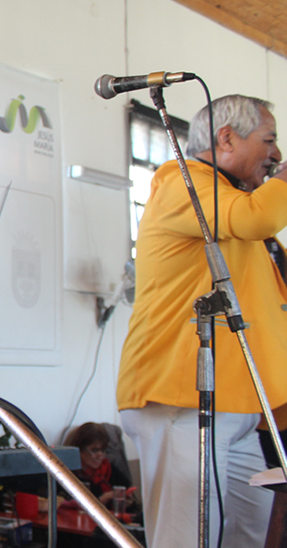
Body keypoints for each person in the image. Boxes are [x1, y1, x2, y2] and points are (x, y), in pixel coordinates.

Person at [117, 94, 287, 548]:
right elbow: (259, 216)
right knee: (184, 541)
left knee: (250, 533)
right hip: (181, 399)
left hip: (239, 408)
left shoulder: (233, 207)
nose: (277, 155)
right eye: (269, 140)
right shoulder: (182, 183)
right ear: (226, 138)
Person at [63, 423, 132, 508]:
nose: (101, 455)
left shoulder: (109, 470)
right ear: (79, 449)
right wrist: (101, 500)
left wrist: (127, 502)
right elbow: (64, 504)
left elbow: (127, 494)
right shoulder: (67, 473)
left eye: (103, 450)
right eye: (95, 450)